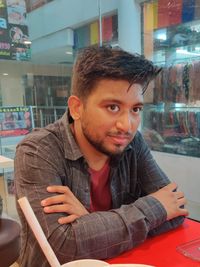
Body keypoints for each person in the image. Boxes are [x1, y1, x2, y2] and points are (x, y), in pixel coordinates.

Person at [14, 45, 188, 267]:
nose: (127, 125)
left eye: (135, 109)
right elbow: (62, 248)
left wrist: (87, 221)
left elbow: (177, 210)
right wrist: (153, 209)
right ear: (77, 108)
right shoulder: (37, 151)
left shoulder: (133, 143)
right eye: (113, 107)